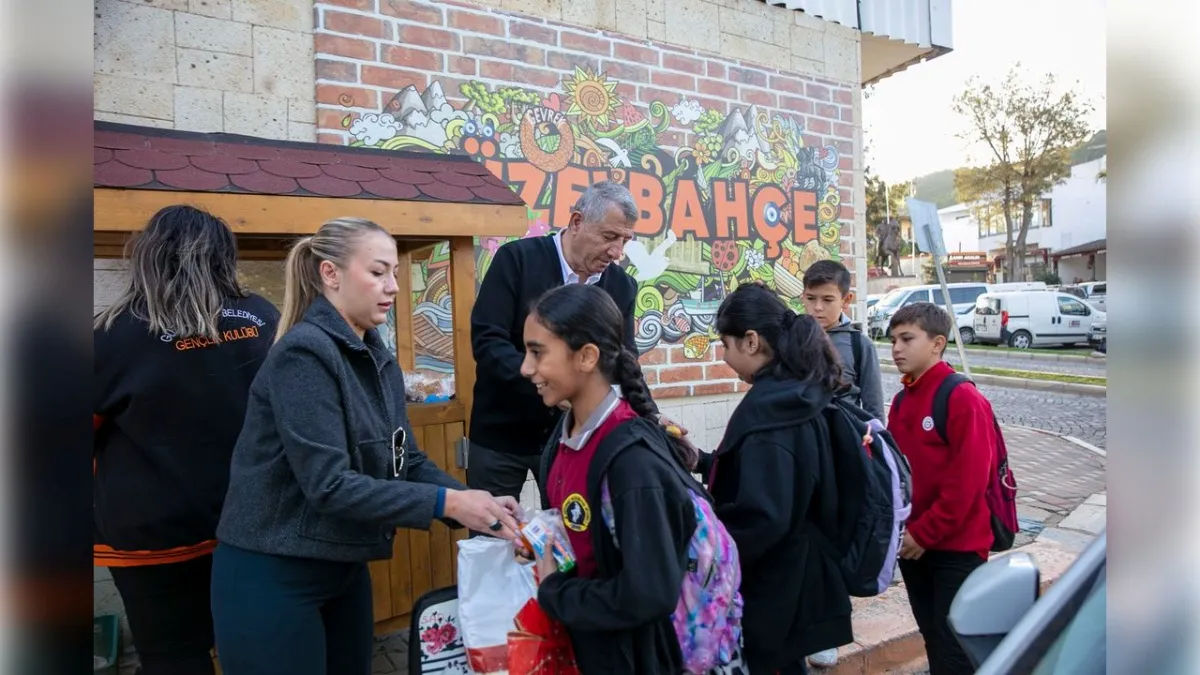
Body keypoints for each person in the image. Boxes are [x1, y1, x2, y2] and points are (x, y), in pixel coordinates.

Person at [210, 217, 521, 675]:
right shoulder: (305, 355)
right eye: (378, 272)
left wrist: (475, 502)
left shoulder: (377, 357)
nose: (393, 286)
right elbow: (329, 485)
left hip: (343, 566)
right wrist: (448, 501)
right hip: (274, 572)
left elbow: (405, 458)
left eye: (395, 272)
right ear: (330, 274)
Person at [93, 205, 280, 675]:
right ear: (223, 256)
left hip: (153, 534)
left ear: (148, 257)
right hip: (254, 521)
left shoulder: (109, 335)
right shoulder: (263, 318)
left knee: (172, 655)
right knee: (257, 641)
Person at [520, 283, 705, 673]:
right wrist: (541, 541)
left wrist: (555, 590)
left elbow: (649, 593)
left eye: (538, 352)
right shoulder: (565, 434)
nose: (525, 368)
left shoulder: (631, 463)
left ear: (586, 356)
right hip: (588, 644)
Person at [469, 181, 678, 504]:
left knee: (572, 539)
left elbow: (623, 360)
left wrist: (649, 416)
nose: (617, 252)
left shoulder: (621, 286)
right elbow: (487, 342)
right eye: (609, 237)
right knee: (491, 536)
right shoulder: (517, 260)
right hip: (500, 432)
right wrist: (550, 384)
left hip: (576, 439)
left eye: (625, 240)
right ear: (577, 222)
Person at [703, 284, 854, 675]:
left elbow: (763, 515)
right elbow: (771, 477)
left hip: (775, 589)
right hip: (801, 578)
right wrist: (702, 461)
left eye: (726, 344)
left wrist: (705, 547)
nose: (724, 357)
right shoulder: (798, 391)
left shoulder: (771, 412)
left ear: (751, 341)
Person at [886, 303, 998, 675]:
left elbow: (968, 483)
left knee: (956, 650)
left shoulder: (961, 397)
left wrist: (926, 532)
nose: (896, 349)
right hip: (915, 547)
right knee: (933, 637)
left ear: (937, 343)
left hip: (956, 549)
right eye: (892, 340)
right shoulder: (902, 400)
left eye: (906, 339)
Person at [799, 259, 882, 669]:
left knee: (836, 542)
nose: (817, 308)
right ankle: (805, 622)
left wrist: (867, 444)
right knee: (804, 541)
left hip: (842, 459)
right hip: (801, 456)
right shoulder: (793, 338)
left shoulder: (858, 344)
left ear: (846, 299)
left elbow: (875, 411)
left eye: (827, 300)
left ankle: (829, 631)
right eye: (810, 298)